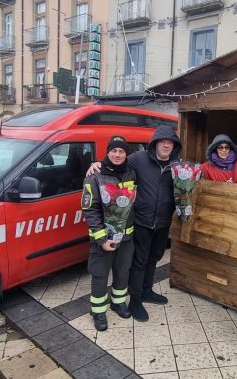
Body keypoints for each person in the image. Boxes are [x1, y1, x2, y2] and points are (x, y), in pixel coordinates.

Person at [87, 125, 182, 322]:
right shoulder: (138, 159)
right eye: (162, 141)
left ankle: (147, 290)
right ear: (155, 143)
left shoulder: (177, 165)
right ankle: (135, 299)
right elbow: (114, 162)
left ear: (174, 146)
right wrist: (97, 164)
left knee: (154, 257)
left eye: (170, 142)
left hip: (163, 222)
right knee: (138, 261)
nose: (166, 145)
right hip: (141, 222)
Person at [81, 136, 137, 331]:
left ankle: (118, 302)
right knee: (100, 275)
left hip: (127, 238)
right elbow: (90, 210)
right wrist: (102, 239)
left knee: (123, 272)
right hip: (103, 240)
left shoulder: (132, 172)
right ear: (108, 152)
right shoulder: (94, 176)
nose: (118, 154)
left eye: (121, 151)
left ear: (126, 153)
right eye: (114, 150)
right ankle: (98, 311)